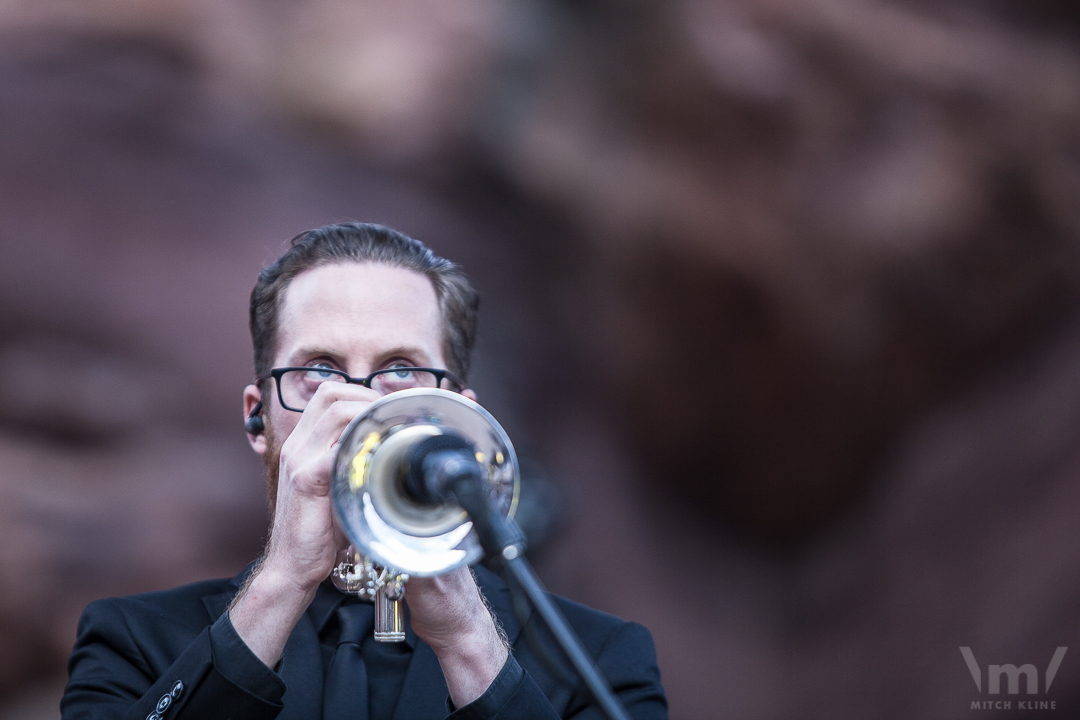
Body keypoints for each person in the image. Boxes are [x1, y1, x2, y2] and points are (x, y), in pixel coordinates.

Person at [61, 223, 667, 720]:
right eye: (319, 371)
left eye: (401, 370)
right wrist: (281, 583)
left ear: (461, 419)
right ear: (258, 419)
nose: (358, 414)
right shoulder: (134, 641)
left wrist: (468, 644)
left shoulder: (603, 659)